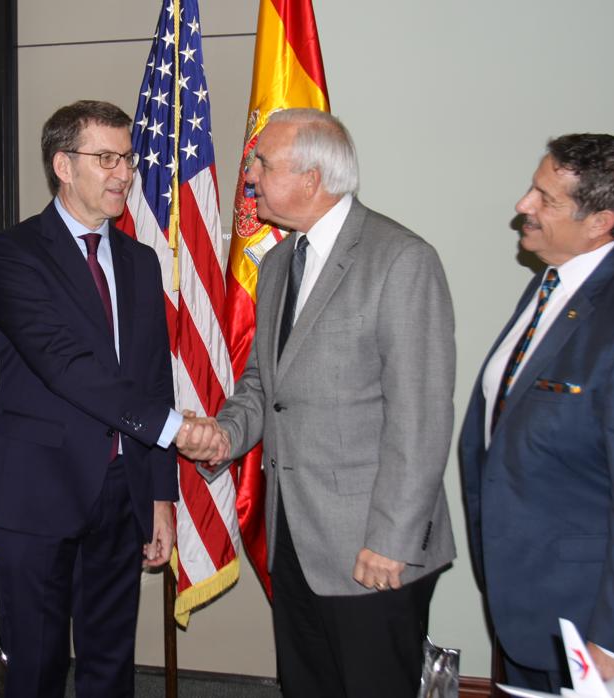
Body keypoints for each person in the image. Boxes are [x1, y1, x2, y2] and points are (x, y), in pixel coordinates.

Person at [183, 108, 457, 697]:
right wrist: (225, 435)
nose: (249, 176)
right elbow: (264, 386)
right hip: (295, 538)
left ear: (311, 178)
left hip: (373, 547)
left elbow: (421, 417)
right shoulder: (281, 262)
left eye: (261, 163)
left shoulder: (401, 260)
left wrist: (392, 540)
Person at [458, 133, 614, 697]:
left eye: (545, 199)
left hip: (597, 631)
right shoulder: (552, 285)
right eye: (533, 187)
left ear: (600, 221)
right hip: (531, 607)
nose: (524, 205)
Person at [0, 100, 201, 697]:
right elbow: (65, 367)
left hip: (122, 491)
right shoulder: (10, 254)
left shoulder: (141, 261)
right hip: (36, 491)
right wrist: (176, 429)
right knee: (40, 666)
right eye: (106, 158)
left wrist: (159, 495)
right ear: (63, 165)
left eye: (126, 158)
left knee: (110, 662)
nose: (124, 173)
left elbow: (153, 377)